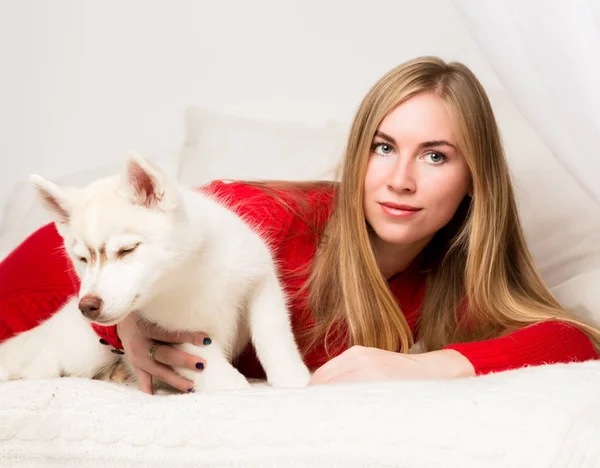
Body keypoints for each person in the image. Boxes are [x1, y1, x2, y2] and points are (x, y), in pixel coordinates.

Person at [1, 56, 599, 395]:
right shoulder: (275, 222)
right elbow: (162, 235)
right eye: (383, 147)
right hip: (59, 280)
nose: (400, 179)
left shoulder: (448, 283)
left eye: (436, 155)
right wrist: (125, 324)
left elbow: (574, 341)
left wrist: (423, 364)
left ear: (476, 178)